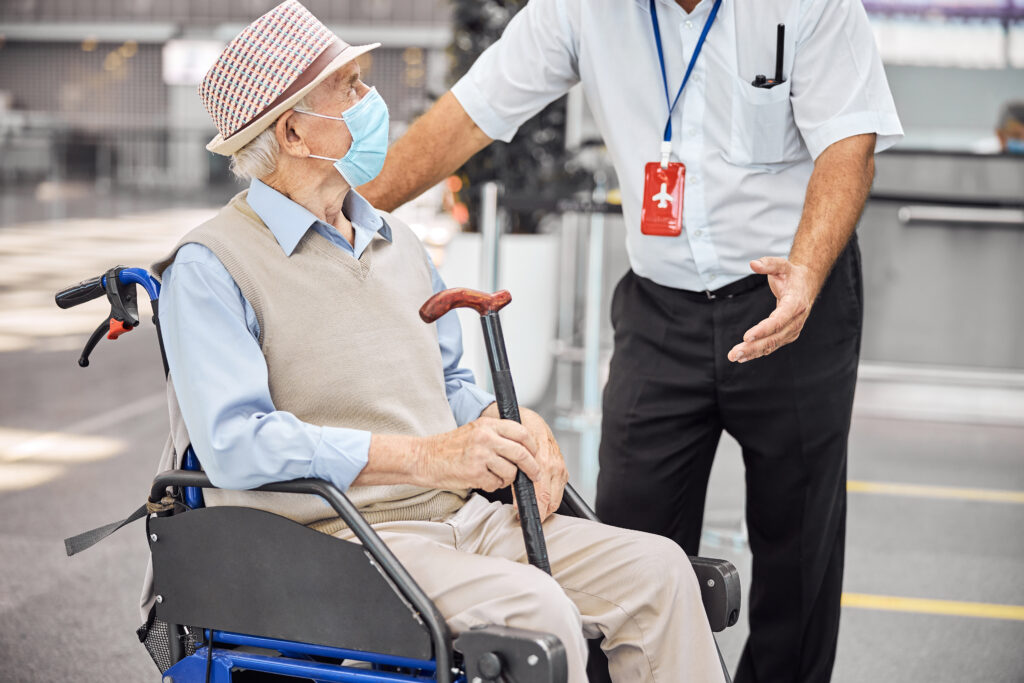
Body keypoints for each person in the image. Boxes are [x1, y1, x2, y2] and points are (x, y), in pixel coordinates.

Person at [150, 2, 725, 681]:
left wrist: (507, 426)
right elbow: (235, 442)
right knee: (536, 614)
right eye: (351, 86)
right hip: (337, 542)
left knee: (661, 571)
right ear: (295, 130)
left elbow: (449, 383)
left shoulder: (399, 242)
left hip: (462, 520)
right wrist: (424, 459)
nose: (373, 100)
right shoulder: (212, 265)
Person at [359, 1, 903, 680]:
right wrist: (336, 210)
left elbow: (848, 143)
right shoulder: (583, 8)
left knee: (797, 553)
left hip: (789, 295)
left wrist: (808, 269)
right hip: (659, 307)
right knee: (627, 534)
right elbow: (470, 114)